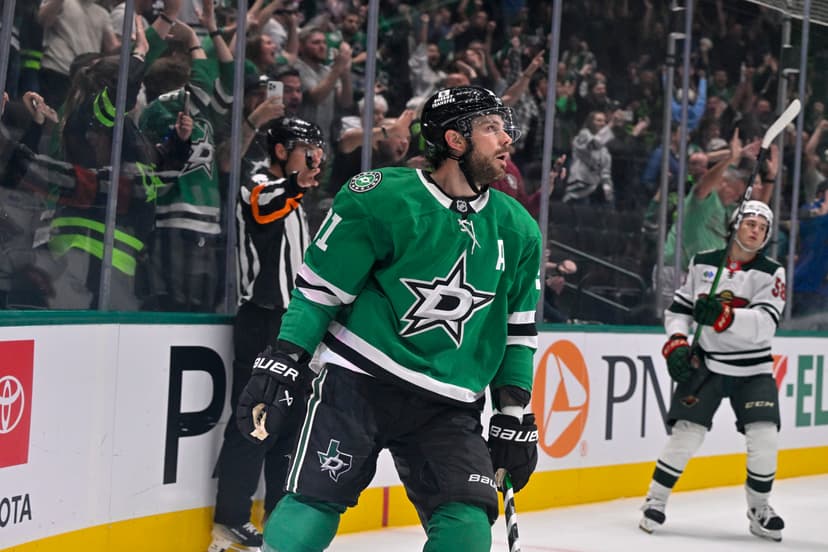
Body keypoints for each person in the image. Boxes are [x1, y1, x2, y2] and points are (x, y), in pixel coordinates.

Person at [234, 85, 542, 552]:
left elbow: (518, 332)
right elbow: (319, 292)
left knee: (466, 531)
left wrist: (512, 412)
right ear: (455, 140)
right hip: (358, 380)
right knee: (310, 512)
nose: (506, 140)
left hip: (449, 401)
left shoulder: (519, 229)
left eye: (504, 128)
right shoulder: (381, 196)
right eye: (491, 128)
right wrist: (284, 359)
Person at [208, 117, 325, 552]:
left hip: (296, 324)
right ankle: (230, 520)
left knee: (292, 424)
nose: (315, 157)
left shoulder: (296, 199)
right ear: (280, 151)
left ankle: (278, 515)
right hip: (262, 322)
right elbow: (261, 206)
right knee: (254, 419)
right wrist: (295, 183)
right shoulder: (259, 185)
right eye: (307, 148)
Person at [640, 200, 786, 542]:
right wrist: (677, 341)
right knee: (686, 435)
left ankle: (759, 508)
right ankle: (655, 500)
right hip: (707, 364)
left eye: (762, 227)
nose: (755, 230)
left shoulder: (772, 272)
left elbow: (766, 324)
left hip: (754, 369)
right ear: (735, 225)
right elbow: (679, 310)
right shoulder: (703, 262)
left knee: (764, 437)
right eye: (750, 223)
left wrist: (725, 317)